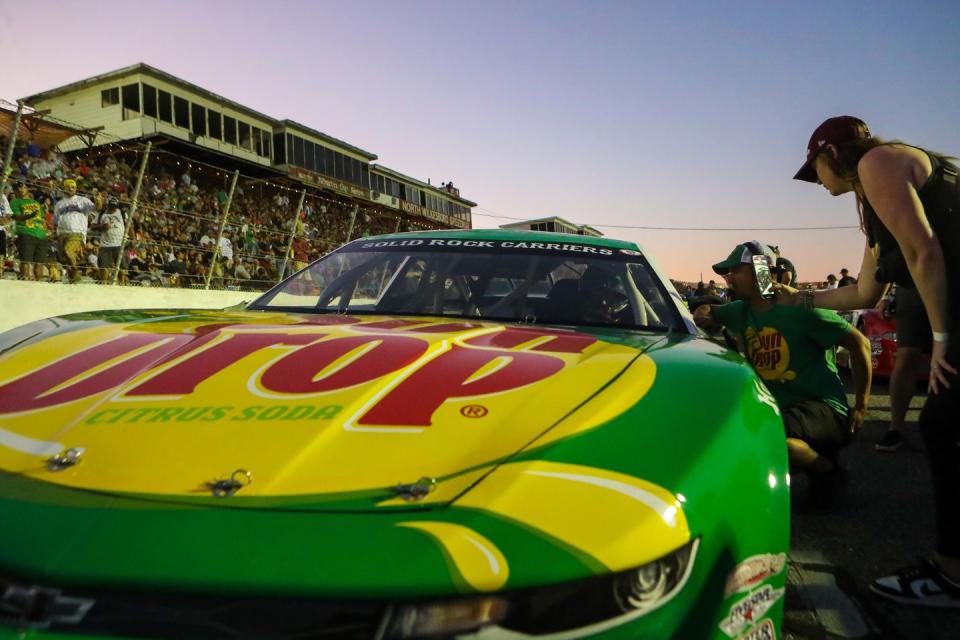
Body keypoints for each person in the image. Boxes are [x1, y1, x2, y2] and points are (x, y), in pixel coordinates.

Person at [786, 115, 960, 606]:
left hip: (956, 320)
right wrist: (798, 301)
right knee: (943, 426)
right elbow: (864, 291)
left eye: (814, 170)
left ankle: (950, 576)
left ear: (831, 155)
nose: (817, 183)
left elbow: (925, 252)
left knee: (942, 425)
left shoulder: (879, 163)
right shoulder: (873, 201)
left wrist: (944, 337)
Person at [694, 241, 872, 508]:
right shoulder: (740, 311)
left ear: (761, 271)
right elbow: (711, 312)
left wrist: (861, 406)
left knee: (765, 433)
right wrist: (704, 312)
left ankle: (829, 473)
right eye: (726, 273)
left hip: (824, 408)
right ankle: (817, 462)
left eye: (735, 270)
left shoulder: (802, 310)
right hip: (780, 409)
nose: (728, 278)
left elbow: (861, 344)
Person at [874, 283, 929, 452]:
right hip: (913, 289)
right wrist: (885, 296)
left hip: (952, 282)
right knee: (906, 355)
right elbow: (891, 258)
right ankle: (895, 428)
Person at [53, 178, 94, 283]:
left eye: (73, 187)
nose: (71, 189)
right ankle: (73, 280)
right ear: (64, 188)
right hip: (62, 234)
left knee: (68, 252)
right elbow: (55, 221)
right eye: (69, 187)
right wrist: (55, 233)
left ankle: (76, 270)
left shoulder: (82, 200)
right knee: (67, 261)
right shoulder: (59, 204)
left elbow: (96, 207)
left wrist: (99, 201)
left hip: (76, 233)